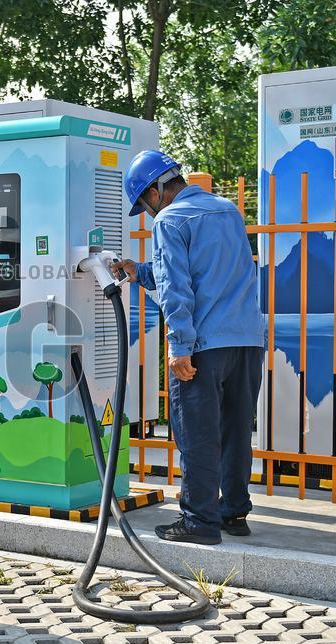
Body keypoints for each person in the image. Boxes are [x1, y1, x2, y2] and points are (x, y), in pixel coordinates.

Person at [113, 150, 264, 545]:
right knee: (235, 432)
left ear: (155, 190)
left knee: (197, 435)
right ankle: (233, 513)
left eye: (143, 204)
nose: (147, 212)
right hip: (246, 341)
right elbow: (213, 273)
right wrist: (140, 272)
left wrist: (179, 346)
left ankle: (199, 521)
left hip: (202, 345)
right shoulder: (227, 210)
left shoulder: (170, 218)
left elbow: (178, 287)